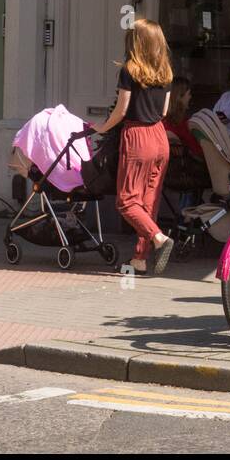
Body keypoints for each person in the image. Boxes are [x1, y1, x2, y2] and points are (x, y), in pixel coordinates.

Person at [95, 19, 176, 276]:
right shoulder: (166, 72)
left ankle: (158, 237)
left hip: (137, 135)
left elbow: (121, 110)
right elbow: (164, 111)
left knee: (127, 201)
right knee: (148, 202)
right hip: (160, 137)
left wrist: (103, 127)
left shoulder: (129, 70)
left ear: (136, 42)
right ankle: (140, 259)